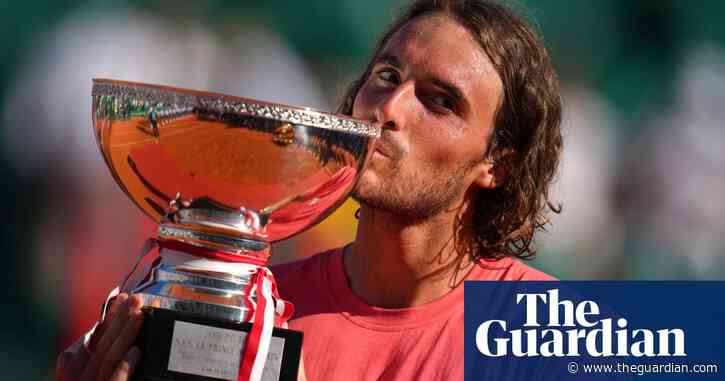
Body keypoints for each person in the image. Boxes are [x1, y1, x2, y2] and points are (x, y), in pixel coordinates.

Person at [56, 0, 562, 380]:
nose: (390, 108)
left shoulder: (563, 331)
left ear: (496, 164)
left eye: (440, 101)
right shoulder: (255, 310)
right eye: (387, 76)